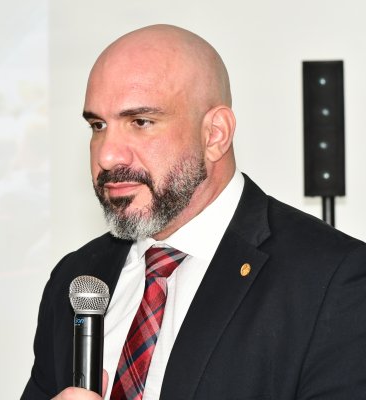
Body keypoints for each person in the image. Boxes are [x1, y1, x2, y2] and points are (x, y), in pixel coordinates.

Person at [21, 24, 366, 400]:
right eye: (98, 125)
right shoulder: (76, 278)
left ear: (215, 134)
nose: (107, 155)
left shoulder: (333, 279)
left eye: (140, 122)